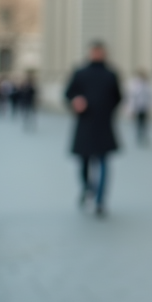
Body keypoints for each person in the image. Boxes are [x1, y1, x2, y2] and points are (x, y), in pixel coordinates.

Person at [65, 41, 123, 216]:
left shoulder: (111, 74)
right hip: (85, 124)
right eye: (95, 51)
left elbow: (118, 97)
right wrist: (76, 101)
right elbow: (69, 93)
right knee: (84, 161)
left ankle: (100, 200)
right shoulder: (80, 72)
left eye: (100, 51)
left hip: (103, 124)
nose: (97, 54)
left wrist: (107, 111)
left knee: (104, 162)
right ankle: (87, 187)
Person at [127, 69, 152, 146]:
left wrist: (150, 106)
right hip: (137, 107)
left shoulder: (147, 84)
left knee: (144, 122)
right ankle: (139, 135)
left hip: (144, 107)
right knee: (138, 122)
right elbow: (131, 97)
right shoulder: (134, 84)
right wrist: (131, 108)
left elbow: (151, 96)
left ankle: (144, 135)